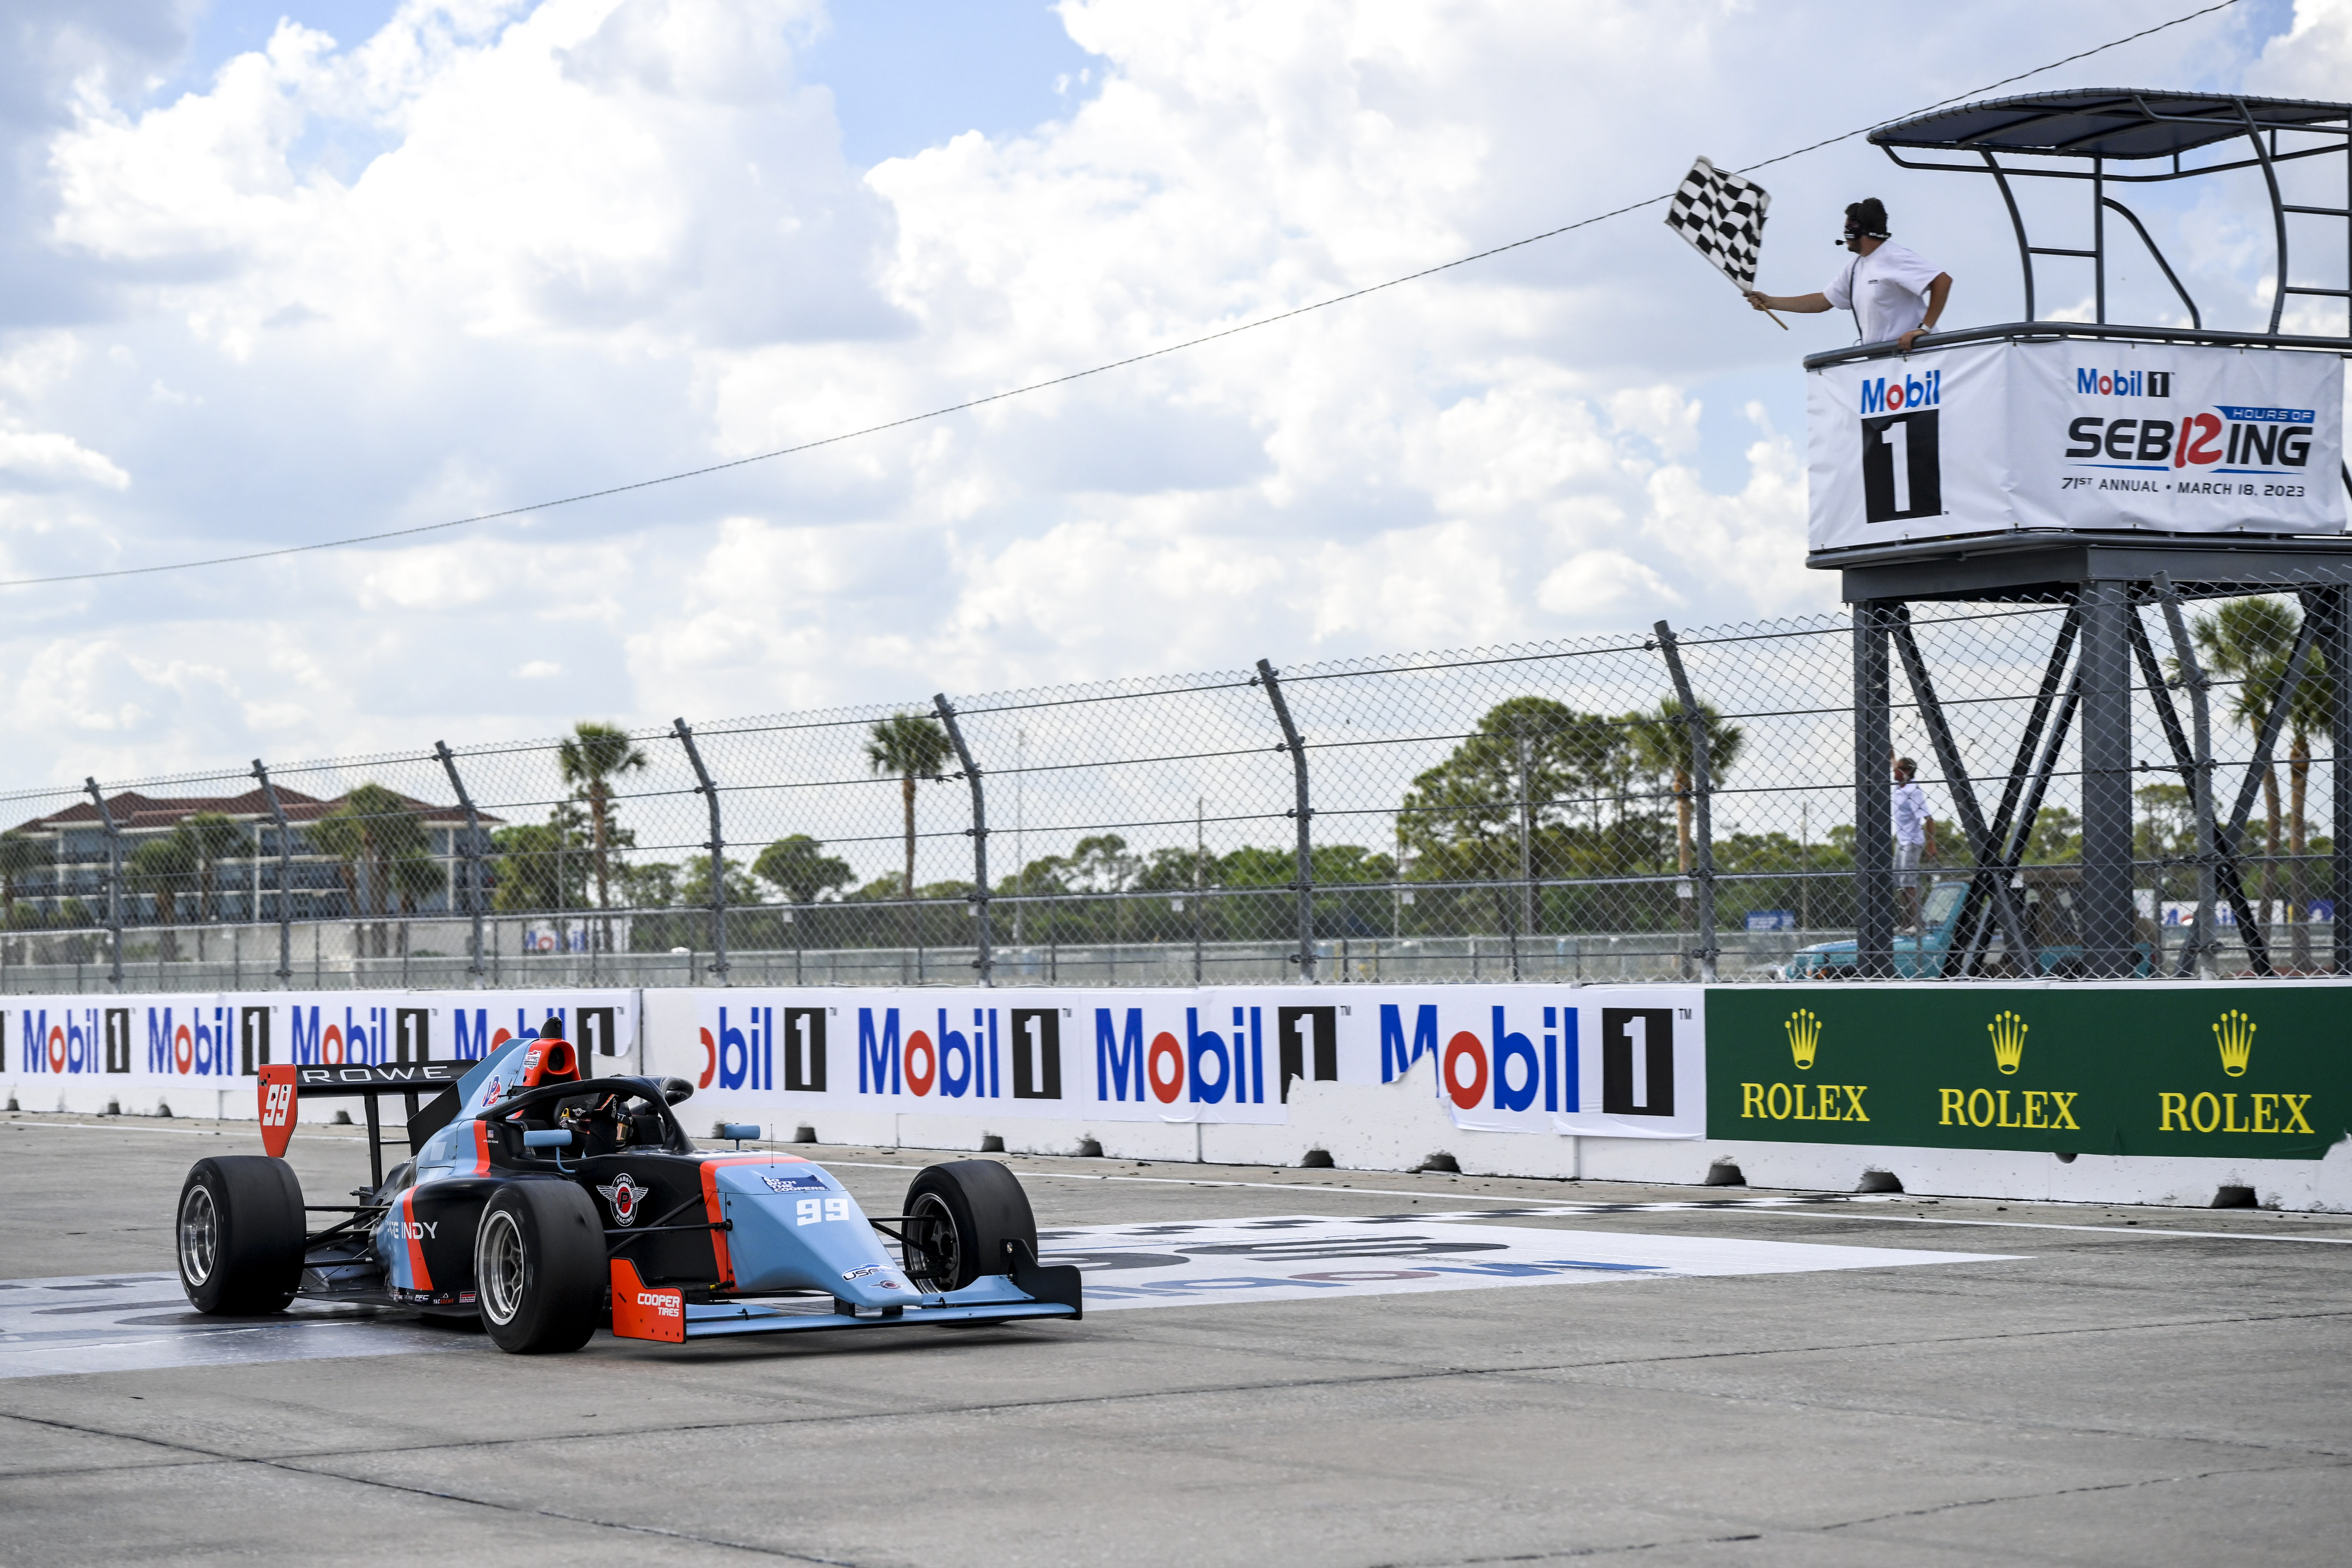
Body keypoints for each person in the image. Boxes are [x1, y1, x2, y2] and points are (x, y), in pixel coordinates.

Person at [1746, 198, 1951, 350]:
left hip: (1915, 358)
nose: (1844, 234)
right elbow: (1822, 301)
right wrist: (1772, 302)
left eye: (1847, 228)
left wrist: (1924, 329)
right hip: (1885, 363)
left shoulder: (1894, 256)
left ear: (1855, 229)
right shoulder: (1854, 267)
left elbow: (1942, 281)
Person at [1891, 756, 1937, 931]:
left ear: (1907, 772)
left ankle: (1918, 923)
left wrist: (1931, 844)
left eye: (1898, 769)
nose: (1894, 771)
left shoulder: (1913, 791)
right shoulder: (1898, 786)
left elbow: (1929, 819)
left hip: (1911, 841)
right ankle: (1906, 922)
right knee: (1900, 883)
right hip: (1901, 841)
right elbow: (1893, 759)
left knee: (1908, 882)